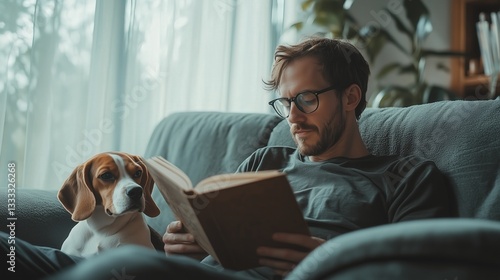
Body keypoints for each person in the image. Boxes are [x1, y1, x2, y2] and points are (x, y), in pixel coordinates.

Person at [0, 37, 452, 280]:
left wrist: (328, 260)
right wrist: (186, 241)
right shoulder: (264, 161)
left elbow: (424, 272)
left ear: (351, 97)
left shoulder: (406, 178)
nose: (292, 116)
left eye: (307, 99)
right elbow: (208, 236)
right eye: (285, 102)